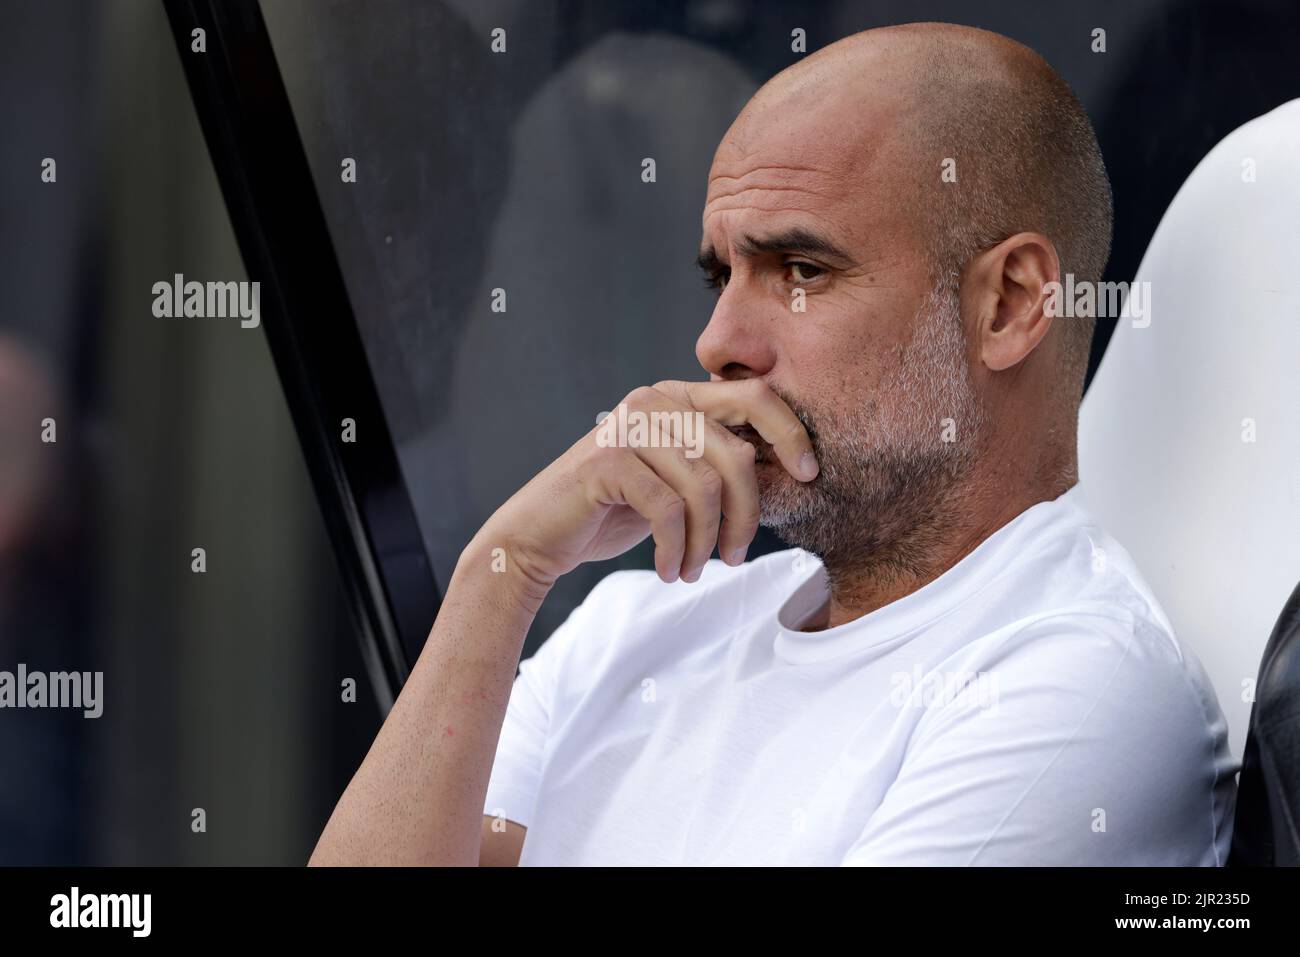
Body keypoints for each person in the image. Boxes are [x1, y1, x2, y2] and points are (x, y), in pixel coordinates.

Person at [309, 22, 1237, 866]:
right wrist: (497, 578)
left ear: (1009, 303)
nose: (718, 342)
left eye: (801, 269)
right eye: (722, 273)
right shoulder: (629, 630)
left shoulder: (1077, 687)